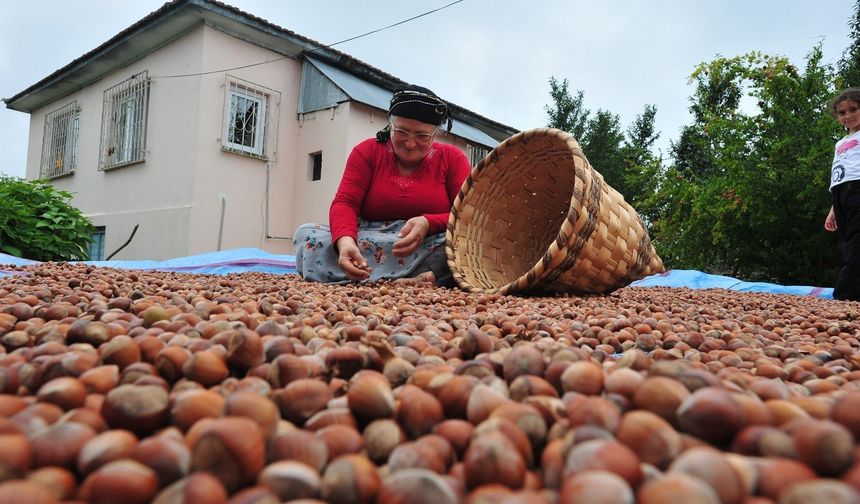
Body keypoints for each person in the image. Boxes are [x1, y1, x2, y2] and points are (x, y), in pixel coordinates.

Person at [293, 84, 472, 286]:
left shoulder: (453, 159)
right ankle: (423, 278)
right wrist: (345, 243)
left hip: (427, 241)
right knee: (307, 235)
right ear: (390, 126)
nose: (410, 143)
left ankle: (370, 278)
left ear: (434, 134)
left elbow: (465, 216)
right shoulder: (367, 152)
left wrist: (428, 223)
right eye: (402, 132)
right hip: (370, 236)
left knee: (462, 247)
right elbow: (345, 203)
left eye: (422, 136)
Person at [825, 87, 860, 301]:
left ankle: (846, 295)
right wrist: (833, 210)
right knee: (849, 241)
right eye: (842, 112)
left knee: (857, 240)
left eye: (853, 109)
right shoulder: (840, 143)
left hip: (858, 188)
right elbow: (839, 175)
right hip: (841, 193)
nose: (848, 116)